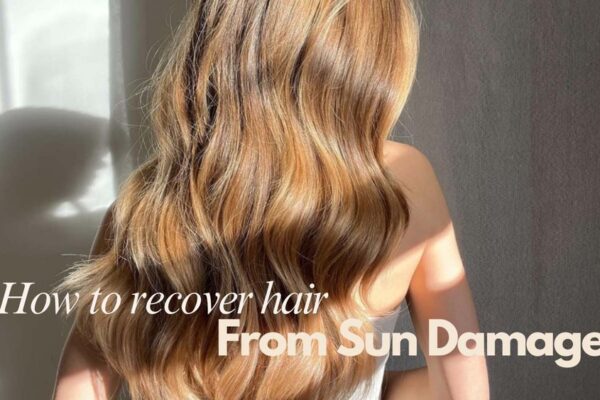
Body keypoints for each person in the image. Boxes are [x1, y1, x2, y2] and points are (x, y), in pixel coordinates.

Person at [53, 0, 489, 399]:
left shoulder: (145, 211)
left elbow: (79, 390)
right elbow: (462, 391)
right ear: (369, 60)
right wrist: (364, 383)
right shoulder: (402, 184)